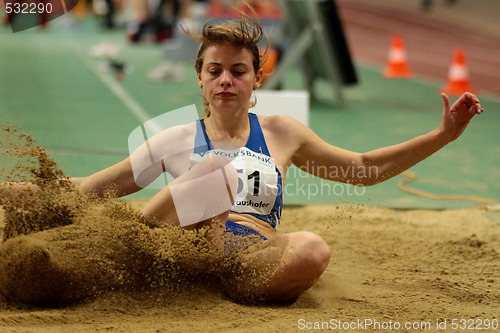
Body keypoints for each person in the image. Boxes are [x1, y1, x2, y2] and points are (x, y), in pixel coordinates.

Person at [0, 13, 483, 304]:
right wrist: (13, 192)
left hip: (248, 262)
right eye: (216, 70)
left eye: (238, 70)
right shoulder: (174, 140)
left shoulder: (281, 132)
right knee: (215, 172)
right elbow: (87, 190)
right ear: (201, 80)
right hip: (173, 253)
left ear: (257, 81)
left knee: (313, 248)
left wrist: (442, 136)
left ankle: (224, 288)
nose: (226, 79)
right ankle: (106, 260)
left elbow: (362, 169)